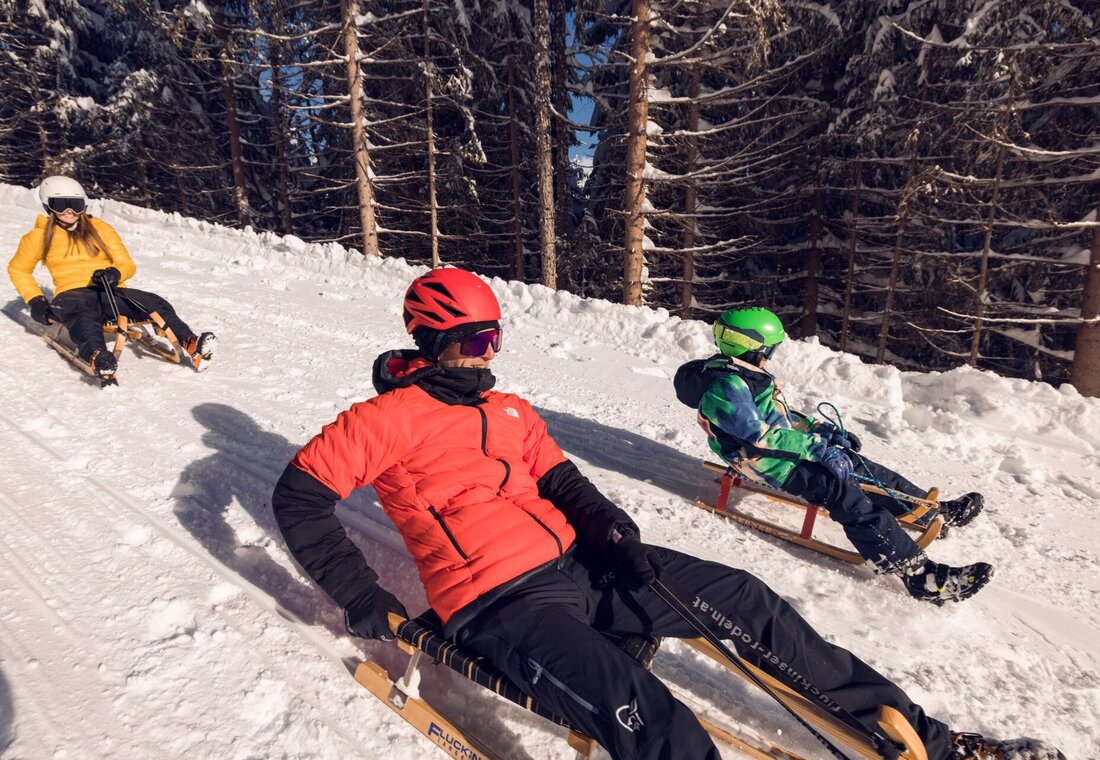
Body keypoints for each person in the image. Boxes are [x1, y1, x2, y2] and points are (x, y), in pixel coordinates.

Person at [271, 268, 1055, 760]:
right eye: (474, 338)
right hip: (498, 605)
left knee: (749, 598)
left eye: (494, 335)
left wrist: (612, 526)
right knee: (659, 724)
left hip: (585, 568)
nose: (488, 352)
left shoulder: (509, 410)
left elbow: (563, 478)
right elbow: (299, 496)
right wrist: (363, 597)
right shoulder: (385, 420)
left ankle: (941, 744)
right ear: (433, 338)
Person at [673, 307, 992, 605]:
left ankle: (929, 511)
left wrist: (822, 431)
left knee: (856, 464)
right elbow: (762, 435)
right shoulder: (727, 387)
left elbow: (778, 416)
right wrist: (817, 448)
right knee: (843, 493)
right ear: (758, 348)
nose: (772, 356)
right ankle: (921, 578)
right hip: (765, 462)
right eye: (772, 348)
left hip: (781, 452)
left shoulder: (742, 373)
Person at [7, 176, 217, 379]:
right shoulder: (38, 237)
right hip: (71, 295)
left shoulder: (100, 229)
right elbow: (18, 269)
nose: (70, 211)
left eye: (76, 205)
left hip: (109, 290)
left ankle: (191, 343)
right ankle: (98, 356)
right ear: (48, 205)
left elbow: (127, 263)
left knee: (153, 302)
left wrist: (115, 273)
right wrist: (35, 300)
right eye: (61, 204)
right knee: (84, 314)